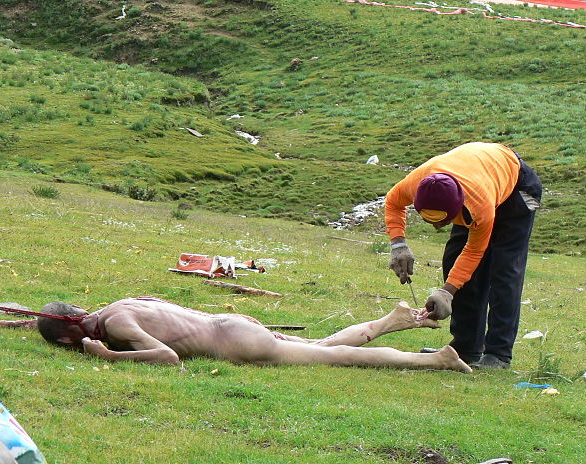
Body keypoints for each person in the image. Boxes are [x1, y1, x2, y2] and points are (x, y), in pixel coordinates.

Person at [385, 142, 542, 369]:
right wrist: (398, 245)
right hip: (476, 177)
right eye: (429, 220)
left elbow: (475, 250)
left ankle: (498, 354)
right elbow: (393, 202)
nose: (436, 226)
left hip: (516, 188)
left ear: (457, 207)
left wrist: (447, 292)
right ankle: (465, 348)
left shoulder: (479, 205)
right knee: (453, 258)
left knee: (504, 270)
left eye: (441, 221)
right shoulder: (418, 183)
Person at [35, 297, 472, 373]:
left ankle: (434, 360)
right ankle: (392, 320)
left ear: (68, 339)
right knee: (321, 346)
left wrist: (109, 357)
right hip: (236, 327)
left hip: (239, 343)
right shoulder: (118, 306)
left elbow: (168, 358)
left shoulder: (114, 327)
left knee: (336, 357)